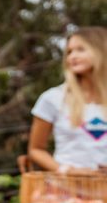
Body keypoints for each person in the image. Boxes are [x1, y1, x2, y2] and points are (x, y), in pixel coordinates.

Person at [28, 26, 107, 171]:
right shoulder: (52, 98)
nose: (72, 57)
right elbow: (36, 150)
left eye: (81, 50)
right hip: (65, 190)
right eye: (69, 52)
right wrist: (66, 171)